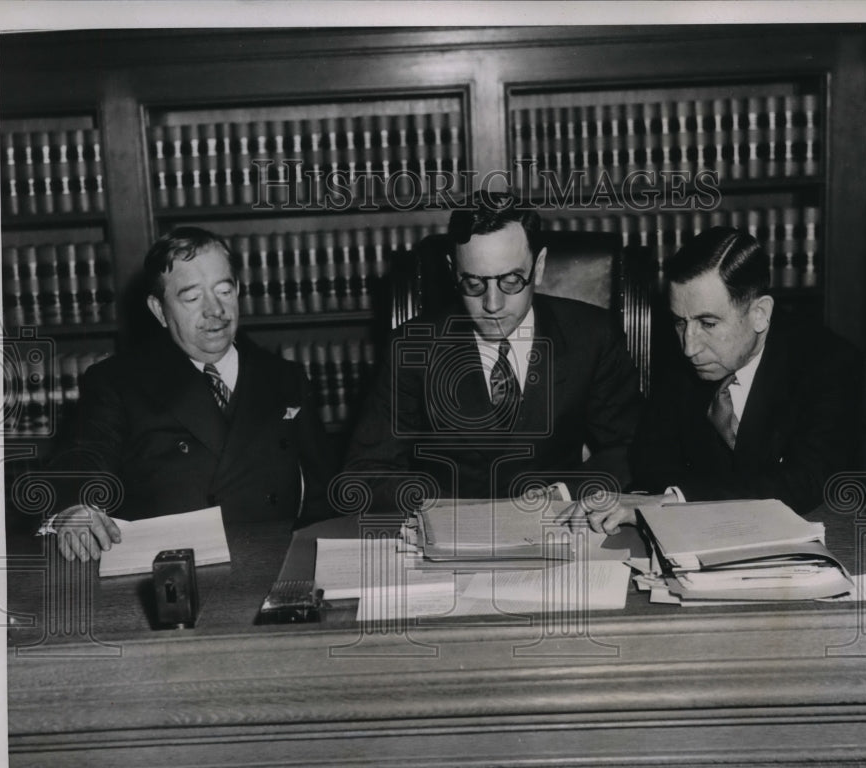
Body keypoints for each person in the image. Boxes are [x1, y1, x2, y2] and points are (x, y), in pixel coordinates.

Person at [45, 226, 336, 561]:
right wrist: (75, 507)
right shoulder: (117, 381)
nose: (215, 310)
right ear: (158, 310)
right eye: (193, 298)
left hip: (271, 564)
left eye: (224, 291)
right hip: (170, 571)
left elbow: (323, 492)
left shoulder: (286, 378)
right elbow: (82, 458)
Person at [342, 191, 641, 513]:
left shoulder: (591, 334)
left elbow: (632, 448)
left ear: (538, 267)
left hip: (557, 526)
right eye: (473, 284)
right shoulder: (413, 346)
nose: (493, 305)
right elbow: (364, 474)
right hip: (450, 530)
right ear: (452, 271)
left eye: (512, 280)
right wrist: (444, 506)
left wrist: (563, 495)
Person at [568, 225, 866, 533]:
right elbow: (650, 462)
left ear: (760, 313)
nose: (689, 346)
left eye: (708, 323)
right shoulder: (680, 361)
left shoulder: (829, 363)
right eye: (679, 322)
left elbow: (806, 483)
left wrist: (675, 499)